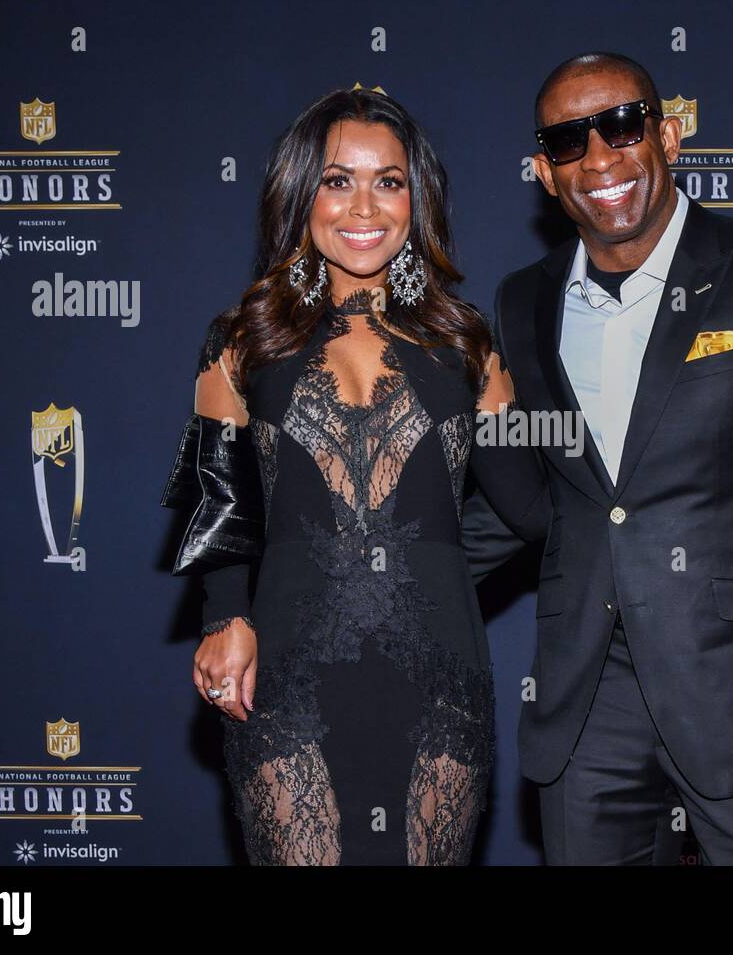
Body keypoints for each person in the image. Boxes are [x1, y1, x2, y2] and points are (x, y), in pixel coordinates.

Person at [462, 52, 733, 864]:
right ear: (544, 173)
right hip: (585, 713)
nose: (599, 158)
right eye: (567, 142)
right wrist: (366, 585)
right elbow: (546, 501)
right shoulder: (523, 302)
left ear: (668, 135)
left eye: (620, 125)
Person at [167, 88, 547, 865]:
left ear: (419, 197)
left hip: (437, 674)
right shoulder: (243, 339)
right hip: (289, 675)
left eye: (390, 180)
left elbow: (527, 506)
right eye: (337, 180)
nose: (363, 205)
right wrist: (224, 615)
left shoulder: (466, 342)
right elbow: (221, 499)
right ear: (300, 193)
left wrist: (425, 564)